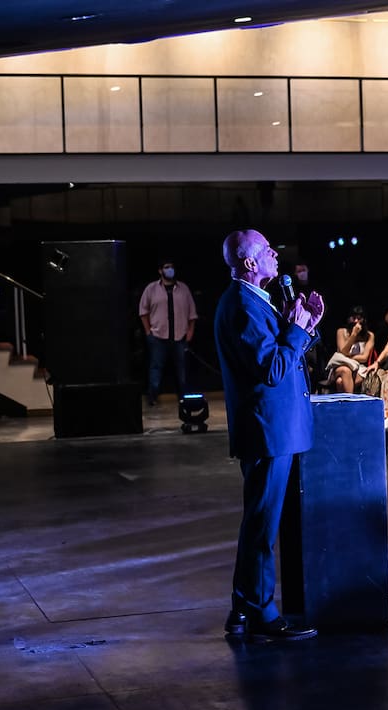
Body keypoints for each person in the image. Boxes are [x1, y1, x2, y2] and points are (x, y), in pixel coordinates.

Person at [215, 229, 322, 641]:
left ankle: (243, 608)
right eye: (267, 251)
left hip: (274, 429)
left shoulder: (256, 300)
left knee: (261, 521)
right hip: (266, 431)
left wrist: (305, 326)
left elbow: (281, 352)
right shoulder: (242, 306)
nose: (276, 255)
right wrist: (295, 329)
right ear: (250, 263)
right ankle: (261, 612)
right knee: (261, 525)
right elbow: (273, 368)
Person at [139, 260, 198, 405]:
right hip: (158, 336)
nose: (170, 270)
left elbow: (192, 313)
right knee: (156, 367)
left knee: (182, 369)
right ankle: (152, 397)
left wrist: (190, 331)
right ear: (160, 271)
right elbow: (143, 311)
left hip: (180, 336)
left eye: (171, 267)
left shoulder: (183, 288)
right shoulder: (151, 289)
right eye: (166, 267)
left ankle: (183, 397)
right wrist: (148, 331)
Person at [326, 306, 375, 394]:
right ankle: (351, 404)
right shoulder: (341, 332)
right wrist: (354, 335)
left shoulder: (369, 335)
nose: (356, 321)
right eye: (353, 318)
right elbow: (343, 351)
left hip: (359, 367)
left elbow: (364, 357)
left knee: (340, 382)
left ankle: (343, 406)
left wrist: (348, 357)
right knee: (345, 370)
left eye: (359, 318)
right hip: (341, 364)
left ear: (364, 320)